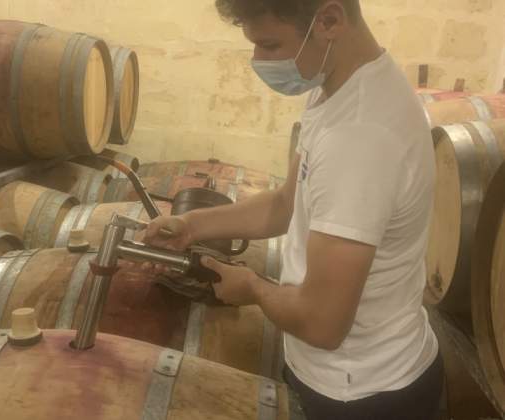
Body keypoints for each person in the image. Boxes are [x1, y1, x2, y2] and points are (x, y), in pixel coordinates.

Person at [143, 1, 443, 418]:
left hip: (363, 393)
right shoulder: (339, 86)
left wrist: (252, 288)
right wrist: (191, 226)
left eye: (270, 45)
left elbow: (323, 323)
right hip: (347, 375)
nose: (259, 61)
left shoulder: (360, 138)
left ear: (329, 21)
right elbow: (287, 202)